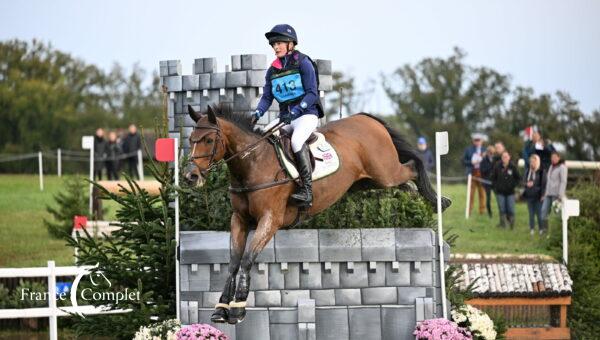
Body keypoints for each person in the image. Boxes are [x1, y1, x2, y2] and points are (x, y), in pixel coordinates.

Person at [252, 24, 324, 207]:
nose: (275, 47)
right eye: (273, 44)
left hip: (306, 114)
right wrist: (257, 113)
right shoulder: (273, 69)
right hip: (286, 117)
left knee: (296, 141)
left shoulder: (303, 62)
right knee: (264, 137)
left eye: (279, 43)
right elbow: (267, 97)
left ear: (291, 44)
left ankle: (307, 190)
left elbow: (312, 93)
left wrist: (295, 112)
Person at [490, 151, 521, 228]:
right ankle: (503, 224)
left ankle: (511, 224)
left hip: (510, 192)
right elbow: (492, 178)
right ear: (501, 158)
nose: (505, 158)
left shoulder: (513, 167)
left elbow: (518, 178)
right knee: (502, 208)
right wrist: (496, 186)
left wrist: (513, 185)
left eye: (506, 157)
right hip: (500, 192)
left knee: (510, 209)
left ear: (509, 157)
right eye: (503, 157)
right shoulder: (497, 166)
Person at [540, 151, 568, 235]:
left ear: (559, 157)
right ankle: (545, 231)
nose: (553, 159)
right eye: (552, 157)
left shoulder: (562, 167)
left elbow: (563, 181)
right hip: (548, 194)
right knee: (543, 211)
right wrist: (545, 193)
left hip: (557, 195)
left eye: (555, 157)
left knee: (557, 214)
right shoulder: (551, 167)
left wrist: (561, 194)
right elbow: (548, 181)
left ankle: (559, 232)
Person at [462, 133, 486, 215]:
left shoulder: (485, 150)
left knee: (482, 193)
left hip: (481, 174)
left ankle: (482, 211)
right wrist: (471, 162)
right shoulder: (468, 149)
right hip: (472, 174)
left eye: (479, 140)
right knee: (471, 194)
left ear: (482, 141)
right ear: (473, 141)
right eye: (476, 140)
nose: (477, 142)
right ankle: (469, 211)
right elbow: (463, 161)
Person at [522, 154, 545, 236]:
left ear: (537, 162)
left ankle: (541, 229)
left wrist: (543, 195)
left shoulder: (541, 172)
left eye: (534, 162)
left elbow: (543, 184)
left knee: (539, 214)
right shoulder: (528, 171)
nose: (532, 163)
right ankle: (532, 229)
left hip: (538, 197)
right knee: (531, 214)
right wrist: (526, 184)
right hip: (529, 196)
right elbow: (523, 182)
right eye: (531, 162)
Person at [479, 145, 496, 218]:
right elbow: (482, 170)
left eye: (492, 153)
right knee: (488, 198)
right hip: (487, 182)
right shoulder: (484, 160)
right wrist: (490, 166)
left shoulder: (495, 159)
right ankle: (490, 213)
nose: (491, 154)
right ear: (488, 152)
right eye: (490, 153)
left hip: (495, 181)